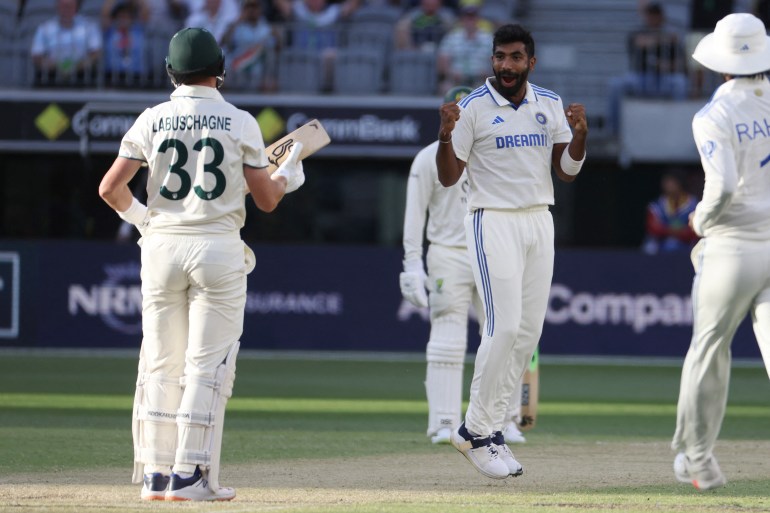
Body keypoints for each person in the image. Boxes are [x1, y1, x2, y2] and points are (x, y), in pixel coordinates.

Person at [97, 27, 305, 501]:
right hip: (217, 246)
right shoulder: (240, 122)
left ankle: (154, 474)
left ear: (171, 72)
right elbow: (267, 200)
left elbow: (110, 189)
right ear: (221, 71)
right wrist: (288, 175)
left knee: (160, 360)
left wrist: (147, 221)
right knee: (206, 366)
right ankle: (189, 475)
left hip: (162, 246)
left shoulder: (151, 118)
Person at [436, 23, 587, 480]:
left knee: (527, 333)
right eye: (500, 56)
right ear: (492, 60)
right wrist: (445, 135)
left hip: (539, 219)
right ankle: (474, 431)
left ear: (530, 62)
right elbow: (448, 177)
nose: (506, 65)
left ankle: (492, 431)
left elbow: (566, 171)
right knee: (501, 328)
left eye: (515, 57)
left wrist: (580, 134)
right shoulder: (473, 108)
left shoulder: (549, 103)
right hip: (492, 218)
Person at [672, 12, 770, 491]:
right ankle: (694, 458)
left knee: (708, 351)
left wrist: (701, 221)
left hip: (733, 245)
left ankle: (698, 461)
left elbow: (724, 185)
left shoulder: (714, 114)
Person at [400, 85, 527, 446]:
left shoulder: (495, 152)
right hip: (448, 254)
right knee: (447, 337)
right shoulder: (428, 157)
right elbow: (414, 215)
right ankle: (443, 420)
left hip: (493, 249)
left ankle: (503, 420)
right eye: (453, 114)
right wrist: (411, 264)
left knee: (505, 335)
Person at [606, 2, 688, 135]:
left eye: (656, 16)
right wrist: (664, 39)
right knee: (615, 85)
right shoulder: (638, 32)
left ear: (662, 17)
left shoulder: (672, 37)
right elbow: (640, 42)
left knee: (680, 83)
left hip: (664, 79)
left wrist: (665, 65)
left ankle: (679, 128)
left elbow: (680, 62)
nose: (653, 19)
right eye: (651, 16)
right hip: (640, 78)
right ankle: (614, 131)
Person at [30, 0, 102, 86]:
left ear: (76, 7)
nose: (66, 9)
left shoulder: (89, 27)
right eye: (63, 6)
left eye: (70, 6)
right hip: (51, 75)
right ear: (57, 7)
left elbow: (96, 53)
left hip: (82, 75)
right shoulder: (45, 28)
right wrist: (57, 67)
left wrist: (76, 67)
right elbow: (37, 55)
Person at [436, 0, 494, 96]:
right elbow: (442, 61)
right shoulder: (452, 37)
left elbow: (496, 62)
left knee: (492, 88)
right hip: (456, 80)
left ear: (478, 18)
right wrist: (450, 73)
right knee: (445, 87)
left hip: (480, 79)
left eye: (473, 16)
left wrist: (487, 74)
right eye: (467, 17)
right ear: (462, 19)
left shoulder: (488, 38)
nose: (470, 20)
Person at [220, 0, 279, 92]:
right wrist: (237, 21)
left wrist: (277, 35)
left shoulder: (266, 27)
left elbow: (274, 48)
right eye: (248, 7)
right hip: (237, 65)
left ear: (260, 9)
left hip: (258, 68)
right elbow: (224, 42)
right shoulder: (236, 26)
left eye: (255, 6)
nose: (252, 10)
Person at [641, 169, 699, 255]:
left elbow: (696, 230)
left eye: (671, 182)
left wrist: (669, 230)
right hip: (660, 247)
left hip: (687, 247)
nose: (667, 185)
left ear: (680, 183)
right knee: (649, 246)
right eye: (666, 182)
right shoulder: (656, 205)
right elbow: (653, 228)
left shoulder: (694, 204)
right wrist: (676, 231)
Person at [102, 1, 149, 86]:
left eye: (126, 17)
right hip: (112, 75)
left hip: (136, 75)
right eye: (120, 17)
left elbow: (145, 12)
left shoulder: (138, 30)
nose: (123, 19)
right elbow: (105, 14)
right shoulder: (110, 31)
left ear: (132, 19)